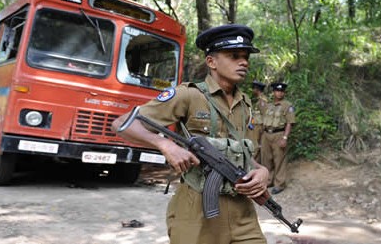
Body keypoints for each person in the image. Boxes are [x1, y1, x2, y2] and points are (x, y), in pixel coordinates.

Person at [112, 24, 269, 244]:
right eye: (234, 56)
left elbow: (242, 152)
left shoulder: (245, 104)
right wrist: (165, 144)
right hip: (197, 210)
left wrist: (261, 171)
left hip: (242, 211)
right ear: (211, 62)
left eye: (245, 57)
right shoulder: (187, 95)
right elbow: (122, 124)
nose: (243, 62)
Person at [261, 82, 296, 194]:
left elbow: (289, 123)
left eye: (281, 91)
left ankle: (279, 184)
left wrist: (285, 138)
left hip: (278, 134)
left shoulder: (287, 106)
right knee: (266, 159)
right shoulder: (269, 105)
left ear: (284, 93)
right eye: (277, 91)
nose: (279, 93)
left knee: (279, 160)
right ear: (273, 92)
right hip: (266, 134)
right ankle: (269, 181)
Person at [250, 80, 268, 162]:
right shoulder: (258, 100)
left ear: (257, 89)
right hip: (256, 126)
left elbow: (265, 115)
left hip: (259, 127)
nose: (253, 90)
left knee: (256, 146)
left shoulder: (262, 101)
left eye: (254, 88)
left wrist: (263, 129)